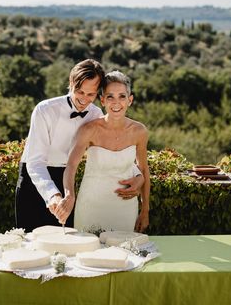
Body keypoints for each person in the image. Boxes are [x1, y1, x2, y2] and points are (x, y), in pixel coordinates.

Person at [15, 60, 144, 232]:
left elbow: (112, 151)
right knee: (30, 245)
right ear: (70, 84)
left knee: (66, 246)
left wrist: (138, 175)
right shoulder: (44, 110)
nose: (84, 100)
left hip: (67, 179)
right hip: (35, 179)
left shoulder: (96, 115)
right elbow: (35, 162)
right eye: (80, 92)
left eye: (91, 94)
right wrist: (52, 195)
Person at [56, 70, 150, 233]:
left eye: (122, 96)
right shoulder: (89, 130)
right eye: (110, 97)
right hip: (91, 206)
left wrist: (145, 210)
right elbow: (71, 165)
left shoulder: (139, 131)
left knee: (125, 255)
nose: (116, 102)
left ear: (130, 100)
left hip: (125, 207)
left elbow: (143, 169)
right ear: (102, 101)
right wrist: (69, 195)